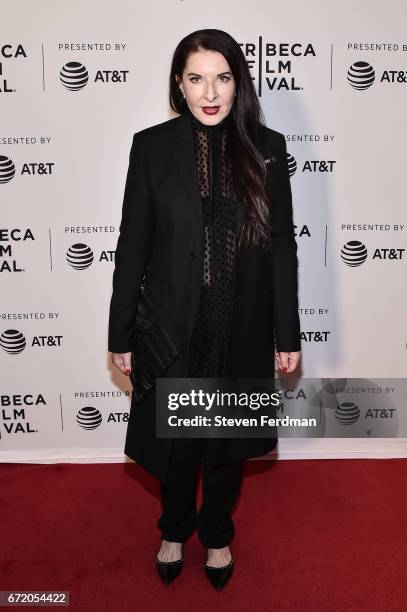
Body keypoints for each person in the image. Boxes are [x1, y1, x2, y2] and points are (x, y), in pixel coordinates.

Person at [108, 29, 301, 590]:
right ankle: (174, 528)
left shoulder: (267, 147)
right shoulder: (151, 147)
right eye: (196, 78)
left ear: (238, 83)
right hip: (172, 326)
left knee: (224, 443)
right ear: (179, 84)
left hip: (239, 325)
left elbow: (283, 247)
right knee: (177, 442)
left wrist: (286, 332)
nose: (209, 92)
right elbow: (132, 247)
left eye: (222, 77)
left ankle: (216, 534)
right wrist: (121, 332)